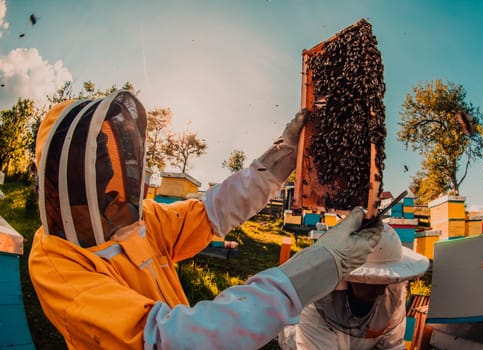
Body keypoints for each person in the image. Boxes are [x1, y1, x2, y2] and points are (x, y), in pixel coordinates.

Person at [29, 90, 383, 349]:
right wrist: (319, 266)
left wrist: (282, 159)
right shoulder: (56, 263)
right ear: (60, 178)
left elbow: (210, 211)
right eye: (95, 162)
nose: (108, 174)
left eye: (110, 161)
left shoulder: (139, 220)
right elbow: (166, 340)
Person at [278, 223, 430, 350]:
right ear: (348, 276)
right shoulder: (317, 301)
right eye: (371, 280)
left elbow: (393, 345)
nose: (381, 290)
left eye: (385, 281)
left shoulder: (392, 294)